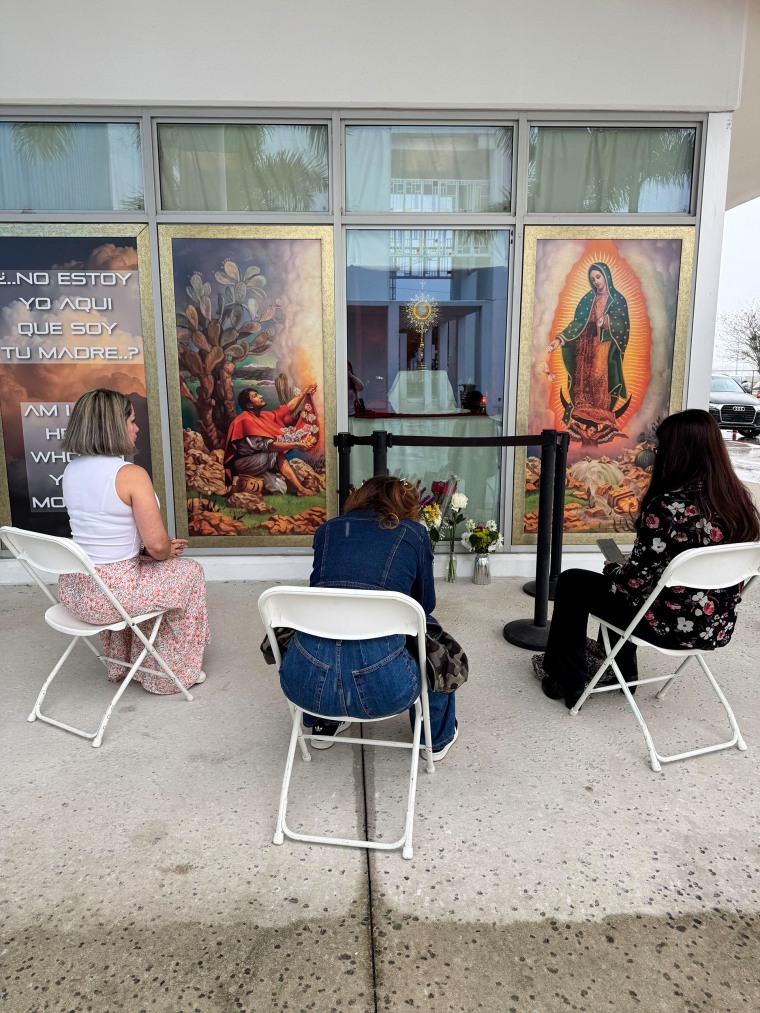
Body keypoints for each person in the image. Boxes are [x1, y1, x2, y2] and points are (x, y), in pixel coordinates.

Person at [534, 409, 760, 709]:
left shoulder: (667, 505)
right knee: (625, 590)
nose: (656, 451)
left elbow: (632, 584)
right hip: (715, 626)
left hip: (665, 626)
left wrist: (615, 569)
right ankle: (620, 673)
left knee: (573, 582)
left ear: (675, 452)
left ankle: (566, 680)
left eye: (660, 446)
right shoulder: (736, 500)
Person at [279, 475, 459, 759]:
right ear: (405, 503)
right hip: (386, 691)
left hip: (306, 687)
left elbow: (320, 591)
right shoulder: (412, 533)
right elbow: (424, 605)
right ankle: (433, 739)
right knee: (429, 629)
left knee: (321, 622)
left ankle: (322, 723)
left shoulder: (328, 530)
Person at [58, 388, 209, 695]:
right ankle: (169, 674)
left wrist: (152, 551)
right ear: (114, 426)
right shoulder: (130, 474)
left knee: (150, 571)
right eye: (131, 420)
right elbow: (156, 546)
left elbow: (105, 535)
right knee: (189, 571)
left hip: (75, 591)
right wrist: (164, 550)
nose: (136, 427)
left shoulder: (70, 470)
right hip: (112, 597)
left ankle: (120, 664)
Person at [547, 261, 630, 443]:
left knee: (599, 376)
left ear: (606, 276)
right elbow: (577, 323)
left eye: (598, 277)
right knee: (583, 377)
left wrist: (607, 320)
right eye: (592, 279)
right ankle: (583, 411)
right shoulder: (587, 299)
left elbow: (623, 324)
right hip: (585, 344)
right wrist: (559, 339)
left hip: (604, 343)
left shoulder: (618, 300)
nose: (596, 282)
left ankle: (601, 412)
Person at [224, 384, 318, 496]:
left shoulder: (262, 415)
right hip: (244, 463)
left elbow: (286, 409)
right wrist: (296, 444)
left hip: (257, 459)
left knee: (280, 489)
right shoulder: (245, 420)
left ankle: (261, 484)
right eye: (255, 396)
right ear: (249, 405)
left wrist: (303, 393)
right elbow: (270, 446)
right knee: (277, 452)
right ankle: (301, 490)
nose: (261, 396)